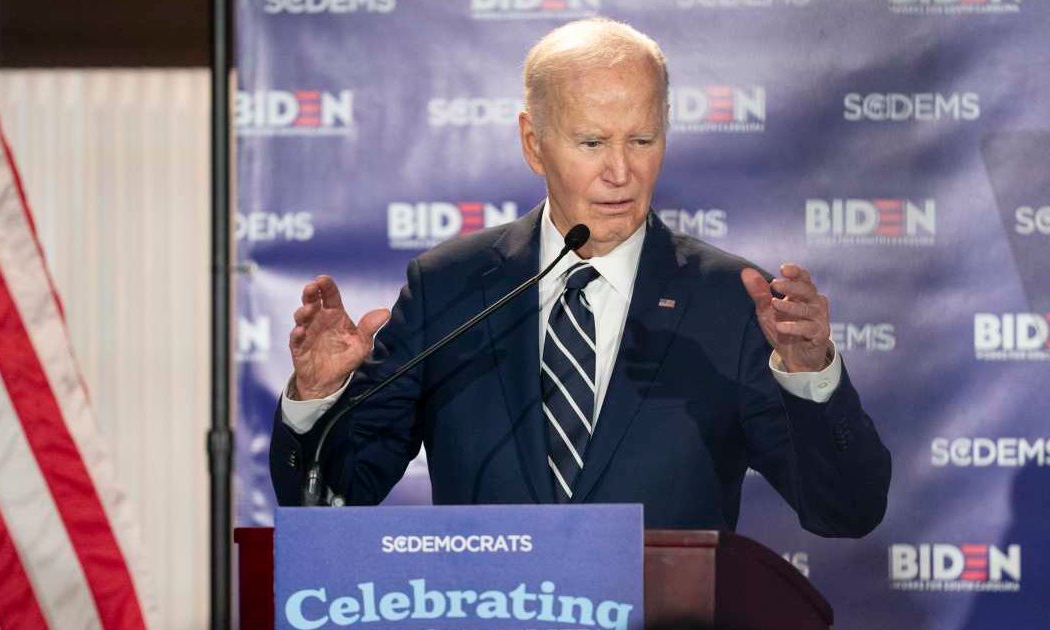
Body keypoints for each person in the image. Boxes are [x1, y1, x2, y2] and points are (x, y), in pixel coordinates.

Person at [269, 17, 891, 536]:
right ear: (533, 143)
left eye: (642, 139)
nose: (621, 172)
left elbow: (846, 511)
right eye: (592, 143)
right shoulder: (450, 288)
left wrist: (811, 377)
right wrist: (318, 401)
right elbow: (331, 502)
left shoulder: (730, 302)